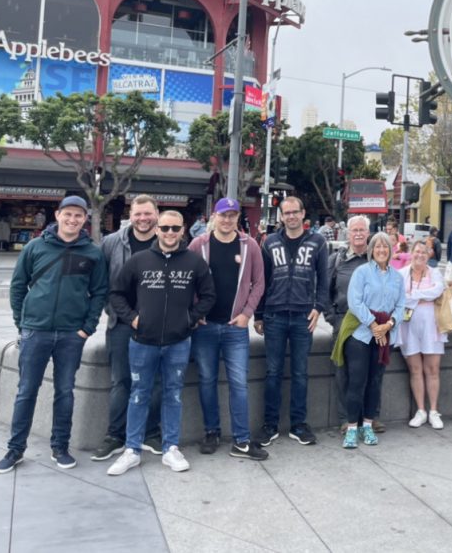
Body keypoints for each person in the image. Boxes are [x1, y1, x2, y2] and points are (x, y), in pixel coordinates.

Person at [0, 195, 108, 474]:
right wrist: (23, 323)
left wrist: (87, 328)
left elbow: (100, 293)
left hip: (72, 335)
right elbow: (18, 286)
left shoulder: (92, 252)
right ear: (57, 215)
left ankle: (60, 446)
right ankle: (15, 449)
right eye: (68, 214)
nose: (72, 220)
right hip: (36, 332)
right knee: (26, 391)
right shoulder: (35, 247)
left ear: (85, 219)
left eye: (78, 216)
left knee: (65, 392)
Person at [106, 210, 216, 476]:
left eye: (174, 228)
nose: (169, 233)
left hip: (179, 341)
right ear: (157, 229)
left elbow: (209, 295)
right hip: (142, 340)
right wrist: (132, 318)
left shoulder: (194, 262)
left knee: (173, 394)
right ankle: (131, 449)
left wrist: (190, 318)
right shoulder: (138, 261)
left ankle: (170, 448)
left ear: (183, 230)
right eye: (164, 228)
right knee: (138, 393)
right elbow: (117, 294)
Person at [188, 198, 268, 460]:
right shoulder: (199, 245)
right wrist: (195, 313)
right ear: (215, 216)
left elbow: (259, 283)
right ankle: (211, 431)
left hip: (236, 328)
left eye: (232, 215)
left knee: (239, 384)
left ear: (237, 218)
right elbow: (185, 280)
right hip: (205, 327)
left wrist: (247, 314)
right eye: (223, 215)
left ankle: (242, 440)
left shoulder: (250, 245)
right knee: (207, 381)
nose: (227, 220)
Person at [92, 195, 163, 462]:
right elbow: (103, 286)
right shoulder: (111, 243)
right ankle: (115, 435)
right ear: (130, 216)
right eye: (138, 214)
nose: (143, 219)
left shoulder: (168, 241)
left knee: (155, 382)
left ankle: (151, 432)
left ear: (156, 213)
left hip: (158, 327)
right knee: (120, 381)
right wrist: (120, 314)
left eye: (148, 214)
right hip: (121, 324)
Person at [255, 196, 329, 447]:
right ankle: (270, 425)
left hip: (302, 316)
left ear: (303, 213)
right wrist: (259, 314)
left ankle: (299, 424)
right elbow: (262, 280)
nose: (291, 216)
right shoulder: (270, 242)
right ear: (281, 216)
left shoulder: (318, 242)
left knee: (300, 373)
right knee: (272, 372)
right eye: (286, 213)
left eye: (295, 212)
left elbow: (324, 278)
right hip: (274, 315)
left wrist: (318, 308)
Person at [332, 232, 405, 448]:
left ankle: (368, 425)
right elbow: (354, 302)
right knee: (357, 381)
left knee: (375, 382)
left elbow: (401, 306)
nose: (381, 250)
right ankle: (352, 428)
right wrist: (373, 325)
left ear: (390, 251)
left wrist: (388, 325)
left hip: (384, 336)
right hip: (361, 335)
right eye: (377, 247)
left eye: (385, 247)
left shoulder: (397, 277)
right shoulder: (362, 272)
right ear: (371, 250)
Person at [326, 214, 373, 432]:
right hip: (344, 320)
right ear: (348, 233)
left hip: (371, 323)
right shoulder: (337, 260)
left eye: (362, 230)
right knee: (342, 371)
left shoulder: (376, 259)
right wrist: (332, 318)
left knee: (372, 371)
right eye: (354, 230)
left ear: (368, 233)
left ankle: (370, 417)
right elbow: (325, 290)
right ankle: (346, 419)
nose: (358, 234)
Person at [395, 240, 447, 428]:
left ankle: (433, 410)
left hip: (431, 327)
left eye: (424, 252)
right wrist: (424, 295)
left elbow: (437, 290)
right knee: (415, 369)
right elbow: (398, 296)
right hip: (408, 327)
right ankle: (421, 410)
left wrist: (414, 295)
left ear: (429, 255)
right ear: (411, 253)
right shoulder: (401, 274)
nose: (420, 255)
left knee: (432, 369)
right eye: (417, 251)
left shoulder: (435, 273)